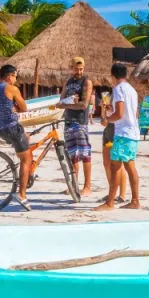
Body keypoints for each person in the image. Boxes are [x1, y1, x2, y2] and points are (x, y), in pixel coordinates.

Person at [96, 63, 140, 211]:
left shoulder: (119, 89)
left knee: (115, 167)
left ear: (113, 76)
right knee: (130, 165)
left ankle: (110, 202)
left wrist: (107, 119)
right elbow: (132, 113)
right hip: (133, 132)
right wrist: (111, 110)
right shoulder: (132, 90)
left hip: (123, 133)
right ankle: (134, 201)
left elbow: (120, 114)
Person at [0, 64, 32, 210]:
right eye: (15, 76)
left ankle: (24, 175)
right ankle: (22, 194)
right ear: (9, 76)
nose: (16, 79)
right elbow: (24, 108)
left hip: (1, 129)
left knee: (26, 137)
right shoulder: (12, 88)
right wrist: (16, 106)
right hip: (13, 127)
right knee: (27, 159)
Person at [60, 57, 93, 196]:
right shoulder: (68, 82)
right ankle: (74, 185)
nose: (79, 71)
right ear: (72, 68)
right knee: (72, 155)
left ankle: (87, 187)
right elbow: (60, 101)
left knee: (85, 155)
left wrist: (67, 104)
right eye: (76, 68)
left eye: (81, 69)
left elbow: (84, 105)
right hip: (68, 121)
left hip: (80, 122)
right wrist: (69, 102)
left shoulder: (86, 82)